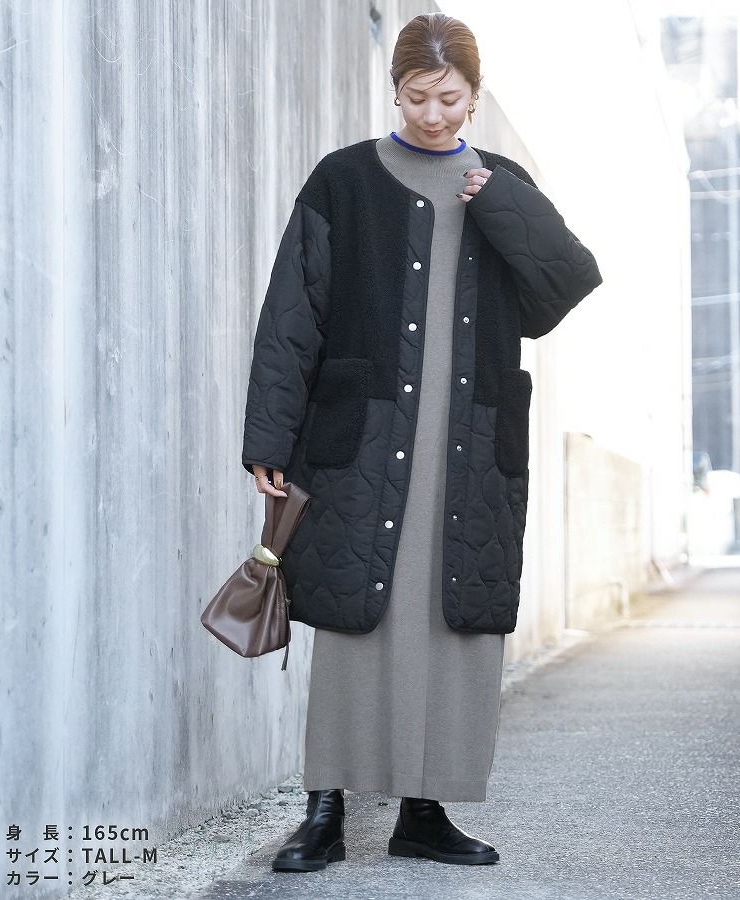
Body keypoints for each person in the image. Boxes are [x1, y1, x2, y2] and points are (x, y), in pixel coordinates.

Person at [242, 12, 603, 873]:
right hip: (362, 439)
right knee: (355, 618)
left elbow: (562, 288)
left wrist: (501, 201)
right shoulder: (342, 181)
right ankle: (324, 811)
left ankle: (425, 812)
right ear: (394, 90)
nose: (433, 114)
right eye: (416, 96)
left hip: (468, 444)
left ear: (474, 95)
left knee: (452, 620)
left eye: (449, 98)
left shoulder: (500, 183)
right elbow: (292, 315)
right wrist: (269, 435)